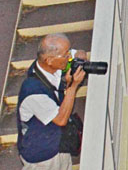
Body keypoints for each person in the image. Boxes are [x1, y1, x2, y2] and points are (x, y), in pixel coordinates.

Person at [16, 34, 87, 170]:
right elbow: (61, 119)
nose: (70, 58)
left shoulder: (49, 65)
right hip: (42, 158)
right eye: (66, 55)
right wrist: (72, 87)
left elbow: (77, 53)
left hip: (59, 145)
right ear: (49, 60)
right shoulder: (33, 92)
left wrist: (81, 56)